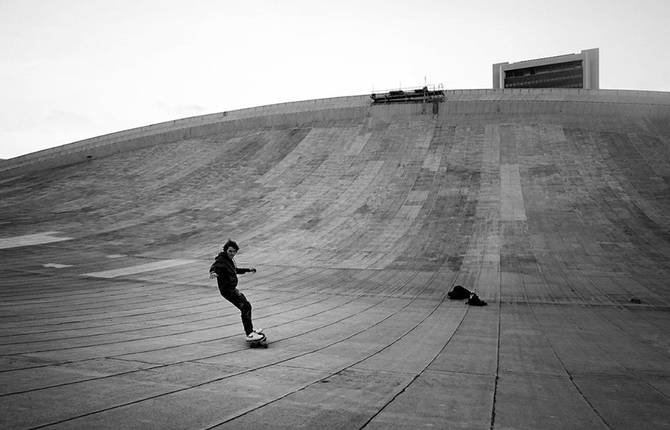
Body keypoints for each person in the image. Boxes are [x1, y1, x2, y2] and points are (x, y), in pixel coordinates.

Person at [209, 239, 263, 341]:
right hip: (227, 291)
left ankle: (250, 330)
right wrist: (213, 273)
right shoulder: (221, 260)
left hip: (232, 289)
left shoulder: (229, 261)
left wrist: (248, 270)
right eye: (230, 251)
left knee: (246, 305)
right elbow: (215, 267)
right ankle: (249, 333)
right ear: (225, 250)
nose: (232, 253)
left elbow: (235, 270)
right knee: (245, 307)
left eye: (234, 252)